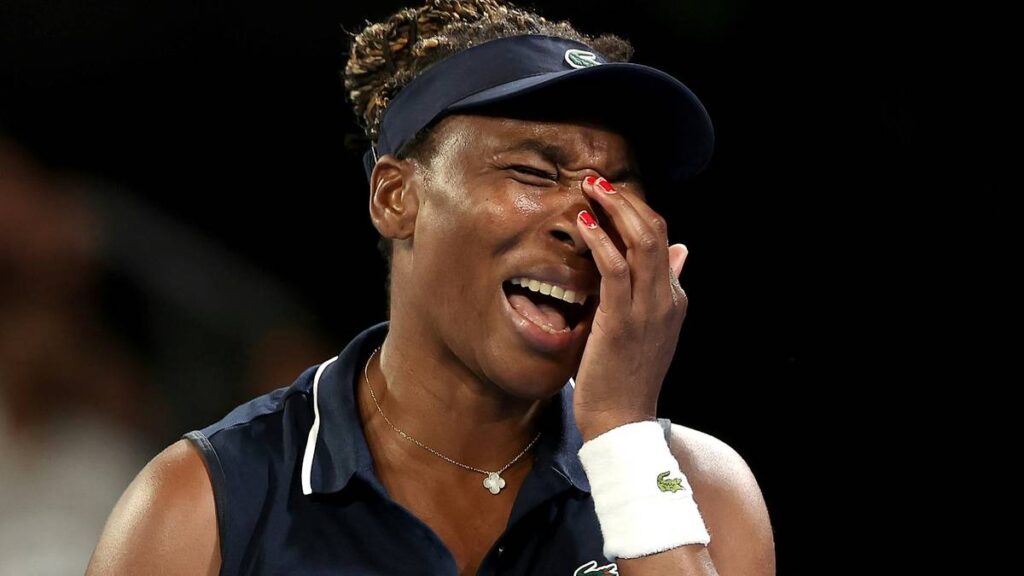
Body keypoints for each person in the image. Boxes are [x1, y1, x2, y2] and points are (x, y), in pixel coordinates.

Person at [87, 1, 775, 574]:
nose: (581, 222)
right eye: (534, 174)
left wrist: (622, 439)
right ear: (395, 197)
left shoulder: (699, 490)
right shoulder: (205, 503)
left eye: (614, 189)